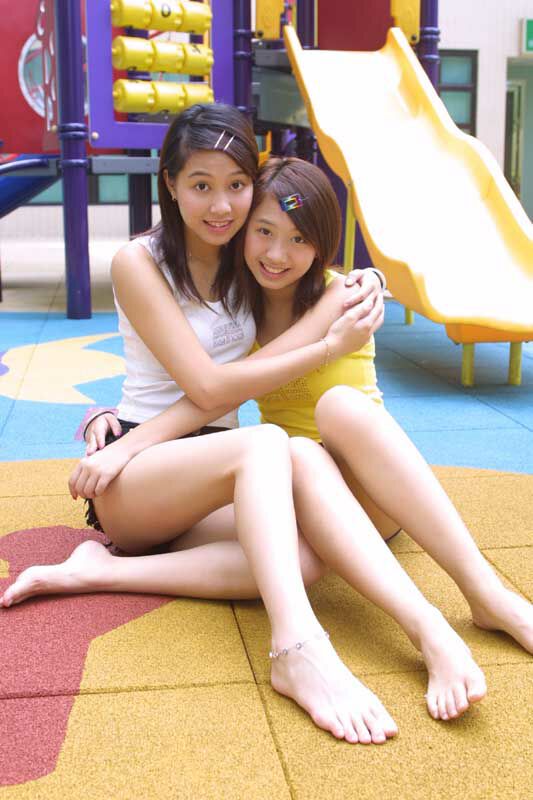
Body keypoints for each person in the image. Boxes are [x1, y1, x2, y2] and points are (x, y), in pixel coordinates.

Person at [60, 156, 532, 723]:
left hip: (370, 492)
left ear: (322, 244)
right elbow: (195, 383)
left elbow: (219, 391)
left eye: (299, 239)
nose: (277, 255)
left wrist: (370, 277)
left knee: (338, 409)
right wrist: (109, 418)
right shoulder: (240, 312)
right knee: (295, 519)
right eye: (263, 231)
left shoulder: (342, 296)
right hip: (299, 494)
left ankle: (485, 593)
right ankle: (108, 572)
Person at [0, 104, 401, 746]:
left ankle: (97, 572)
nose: (221, 205)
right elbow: (210, 389)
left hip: (217, 468)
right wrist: (328, 340)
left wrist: (363, 281)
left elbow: (300, 254)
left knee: (305, 557)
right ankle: (297, 646)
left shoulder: (245, 254)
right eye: (201, 185)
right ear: (169, 181)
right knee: (267, 443)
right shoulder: (139, 262)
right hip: (141, 474)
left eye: (236, 185)